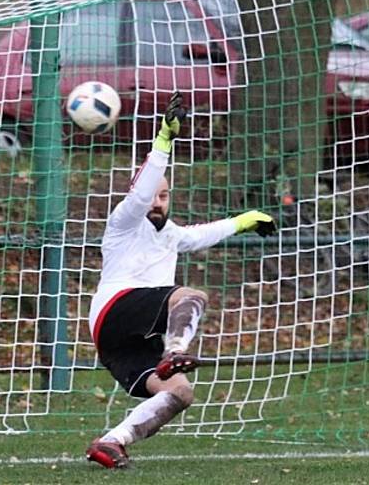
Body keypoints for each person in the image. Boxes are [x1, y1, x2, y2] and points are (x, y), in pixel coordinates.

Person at [85, 91, 276, 469]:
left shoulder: (170, 233)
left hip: (122, 347)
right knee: (189, 295)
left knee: (179, 393)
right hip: (114, 311)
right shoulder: (123, 222)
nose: (157, 202)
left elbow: (201, 234)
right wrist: (163, 140)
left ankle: (111, 442)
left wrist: (244, 220)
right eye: (153, 195)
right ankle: (173, 353)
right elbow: (142, 194)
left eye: (165, 196)